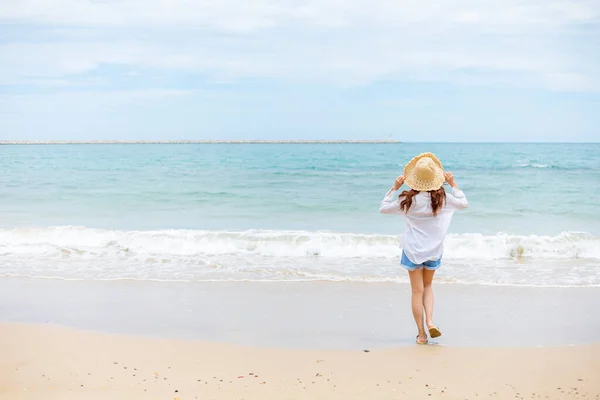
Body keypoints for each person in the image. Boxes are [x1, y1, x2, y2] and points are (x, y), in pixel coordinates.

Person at [379, 152, 468, 344]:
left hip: (412, 251)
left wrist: (394, 188)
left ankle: (421, 334)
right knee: (428, 287)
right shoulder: (442, 199)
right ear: (436, 178)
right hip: (433, 250)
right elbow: (463, 203)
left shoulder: (407, 200)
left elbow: (384, 208)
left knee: (416, 292)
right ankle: (430, 321)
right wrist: (453, 184)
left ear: (414, 179)